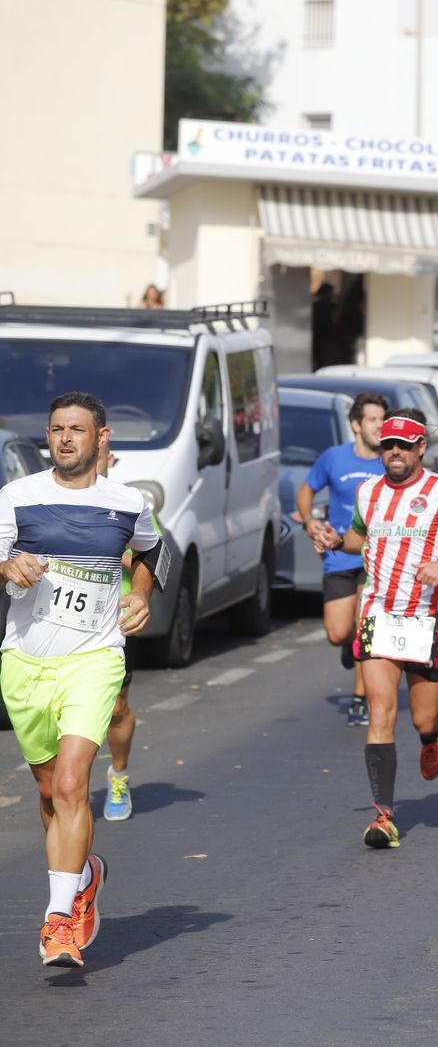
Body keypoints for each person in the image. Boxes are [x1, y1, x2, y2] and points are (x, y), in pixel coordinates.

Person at [0, 392, 162, 967]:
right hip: (25, 662)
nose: (65, 438)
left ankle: (59, 921)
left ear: (101, 437)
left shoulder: (128, 503)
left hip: (95, 658)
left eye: (76, 429)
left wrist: (139, 593)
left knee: (72, 785)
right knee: (49, 793)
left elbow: (154, 553)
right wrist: (6, 564)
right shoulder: (17, 497)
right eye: (56, 429)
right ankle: (84, 874)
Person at [310, 410, 438, 850]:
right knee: (380, 712)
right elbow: (360, 537)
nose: (394, 452)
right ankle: (384, 816)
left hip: (430, 618)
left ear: (420, 448)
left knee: (422, 718)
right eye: (387, 445)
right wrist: (337, 541)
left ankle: (433, 736)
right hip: (379, 613)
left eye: (404, 445)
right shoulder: (368, 491)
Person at [298, 392, 388, 726]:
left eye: (383, 419)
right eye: (373, 419)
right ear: (356, 425)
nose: (379, 426)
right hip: (339, 553)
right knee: (339, 633)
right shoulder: (334, 458)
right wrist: (309, 520)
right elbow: (306, 490)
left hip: (375, 557)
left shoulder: (390, 460)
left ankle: (360, 699)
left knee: (367, 628)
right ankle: (349, 646)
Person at [95, 444, 160, 821]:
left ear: (110, 458)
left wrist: (130, 569)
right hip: (60, 621)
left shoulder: (128, 503)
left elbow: (157, 555)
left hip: (115, 619)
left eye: (98, 454)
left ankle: (118, 775)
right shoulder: (49, 498)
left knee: (116, 708)